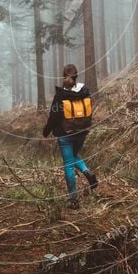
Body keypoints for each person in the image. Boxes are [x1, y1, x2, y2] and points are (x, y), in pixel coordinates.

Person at [42, 64, 98, 209]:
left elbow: (54, 116)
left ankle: (73, 199)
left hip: (65, 134)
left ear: (64, 77)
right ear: (76, 76)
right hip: (82, 132)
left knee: (68, 163)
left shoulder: (60, 95)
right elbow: (89, 111)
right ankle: (86, 171)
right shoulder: (85, 91)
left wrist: (46, 131)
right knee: (73, 156)